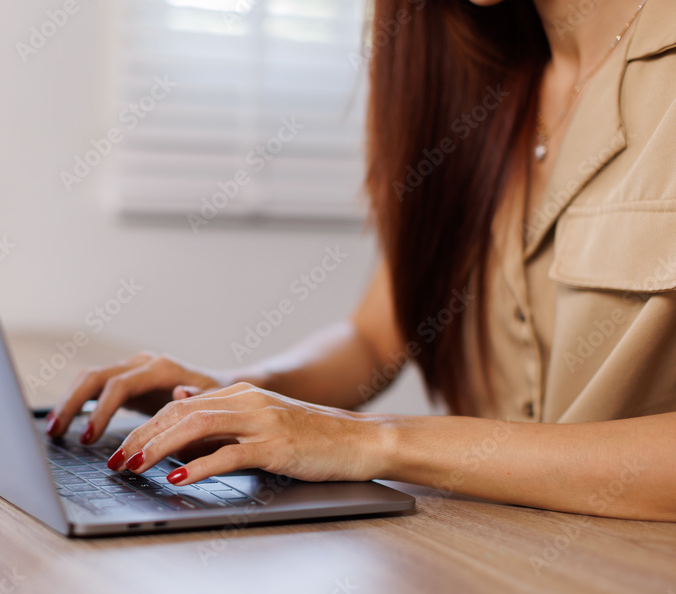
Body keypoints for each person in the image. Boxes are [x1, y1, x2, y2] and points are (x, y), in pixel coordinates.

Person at [47, 0, 676, 521]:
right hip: (493, 574)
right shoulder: (481, 76)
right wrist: (236, 395)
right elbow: (376, 338)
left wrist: (376, 442)